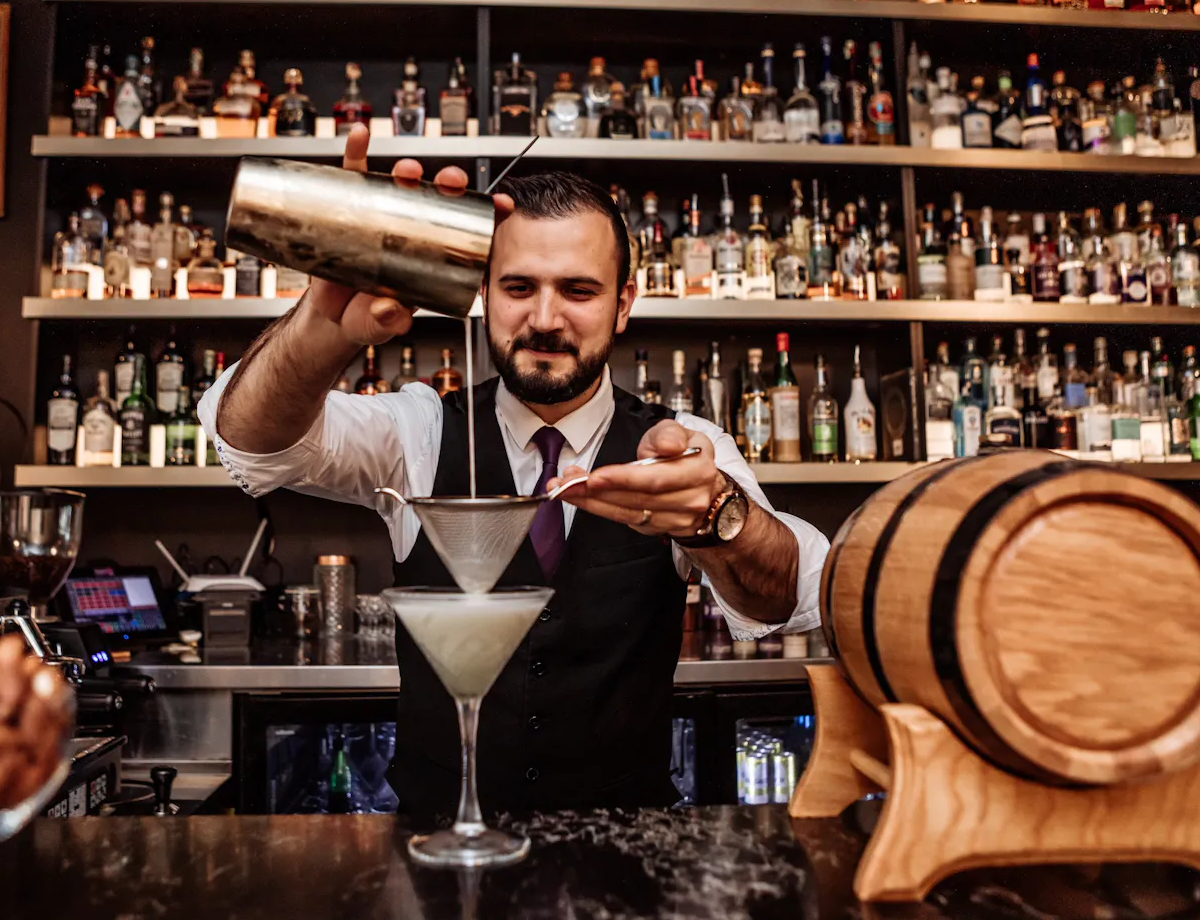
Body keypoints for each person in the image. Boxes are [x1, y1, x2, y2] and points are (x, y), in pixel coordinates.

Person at [199, 124, 829, 815]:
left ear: (624, 302)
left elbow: (794, 594)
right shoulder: (420, 429)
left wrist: (720, 518)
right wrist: (322, 325)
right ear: (482, 293)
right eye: (519, 286)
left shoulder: (680, 448)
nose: (545, 318)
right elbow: (248, 438)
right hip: (436, 854)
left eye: (580, 290)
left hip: (624, 860)